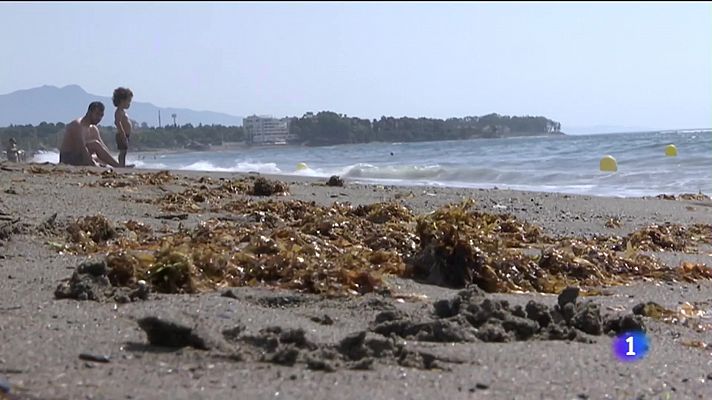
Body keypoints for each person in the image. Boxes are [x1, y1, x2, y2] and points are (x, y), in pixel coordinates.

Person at [59, 101, 121, 167]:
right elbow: (82, 149)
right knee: (95, 144)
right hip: (67, 159)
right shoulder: (78, 125)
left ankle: (118, 165)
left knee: (100, 157)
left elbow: (103, 148)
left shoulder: (93, 129)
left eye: (101, 115)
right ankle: (119, 167)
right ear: (89, 112)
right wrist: (94, 165)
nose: (99, 118)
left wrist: (109, 160)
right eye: (97, 114)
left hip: (80, 157)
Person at [113, 87, 134, 167]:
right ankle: (121, 165)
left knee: (124, 151)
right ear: (122, 101)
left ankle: (123, 164)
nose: (129, 104)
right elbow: (117, 122)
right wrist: (122, 133)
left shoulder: (122, 111)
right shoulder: (118, 112)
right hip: (122, 134)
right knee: (122, 151)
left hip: (125, 134)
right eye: (128, 101)